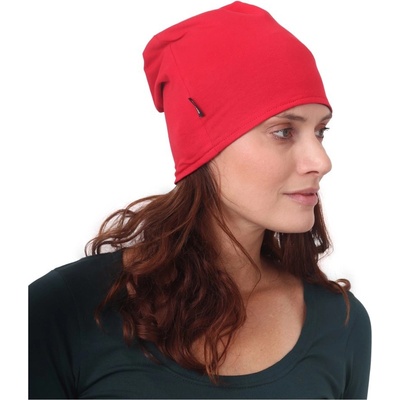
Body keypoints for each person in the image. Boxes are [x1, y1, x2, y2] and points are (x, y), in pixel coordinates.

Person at [28, 1, 372, 398]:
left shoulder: (341, 324)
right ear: (204, 146)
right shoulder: (64, 311)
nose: (322, 162)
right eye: (283, 132)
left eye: (321, 132)